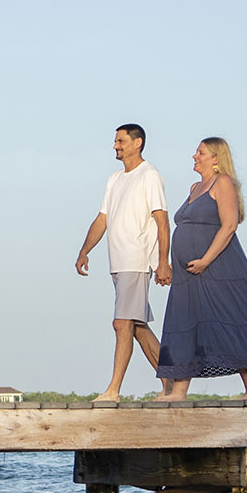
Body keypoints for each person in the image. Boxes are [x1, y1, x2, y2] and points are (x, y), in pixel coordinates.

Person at [155, 137, 247, 400]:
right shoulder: (195, 187)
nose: (194, 156)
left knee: (230, 318)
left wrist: (206, 259)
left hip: (217, 266)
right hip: (187, 274)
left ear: (216, 158)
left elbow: (229, 225)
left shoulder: (222, 183)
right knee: (185, 320)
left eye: (200, 152)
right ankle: (179, 390)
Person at [73, 124, 173, 400]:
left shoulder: (149, 176)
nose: (115, 146)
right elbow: (102, 218)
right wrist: (85, 250)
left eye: (120, 141)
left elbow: (162, 220)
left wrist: (164, 262)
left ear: (137, 142)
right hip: (117, 263)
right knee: (137, 326)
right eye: (115, 141)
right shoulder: (115, 179)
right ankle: (170, 384)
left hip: (137, 259)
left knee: (122, 324)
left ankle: (113, 390)